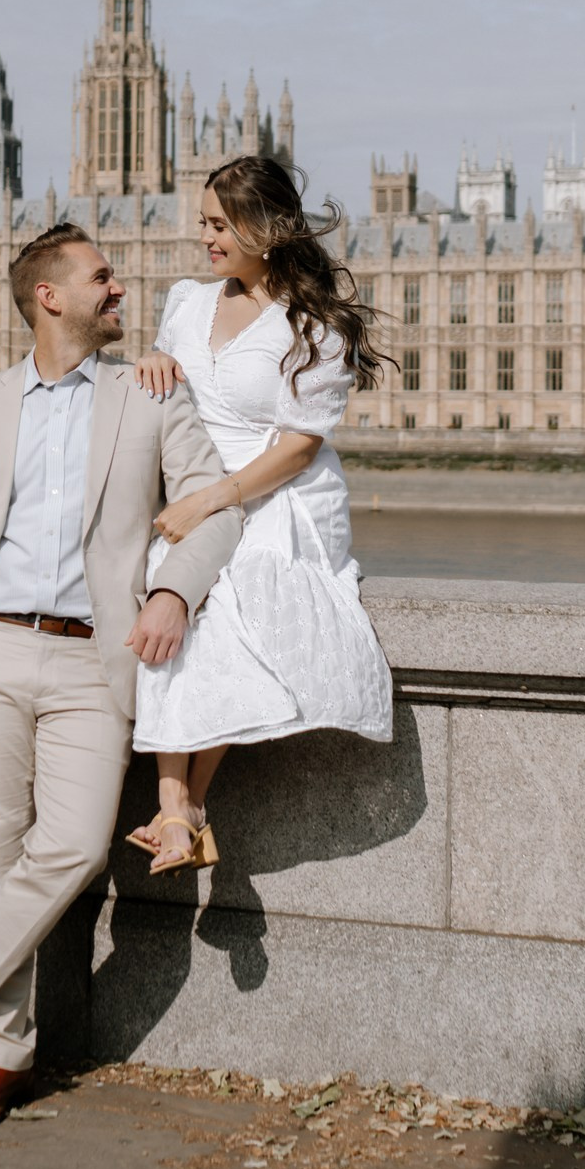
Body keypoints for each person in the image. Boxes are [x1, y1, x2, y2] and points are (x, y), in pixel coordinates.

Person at [0, 222, 243, 1135]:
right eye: (102, 276)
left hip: (96, 656)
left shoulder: (150, 394)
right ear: (50, 296)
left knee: (78, 846)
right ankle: (3, 1056)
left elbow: (214, 511)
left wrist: (172, 593)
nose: (119, 287)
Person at [126, 154, 394, 876]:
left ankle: (183, 805)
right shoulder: (186, 301)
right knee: (164, 591)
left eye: (218, 224)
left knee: (229, 606)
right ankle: (179, 808)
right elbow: (171, 376)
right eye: (204, 222)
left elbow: (300, 447)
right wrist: (153, 357)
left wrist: (217, 498)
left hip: (275, 494)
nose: (204, 236)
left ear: (263, 227)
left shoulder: (313, 327)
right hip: (194, 485)